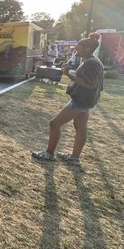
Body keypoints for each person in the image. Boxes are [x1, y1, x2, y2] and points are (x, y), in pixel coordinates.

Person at [32, 33, 103, 166]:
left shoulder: (91, 63)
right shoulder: (90, 60)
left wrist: (68, 74)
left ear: (87, 49)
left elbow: (90, 84)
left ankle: (49, 153)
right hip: (86, 100)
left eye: (78, 49)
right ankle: (74, 158)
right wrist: (70, 72)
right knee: (80, 127)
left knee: (55, 123)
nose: (75, 52)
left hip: (81, 100)